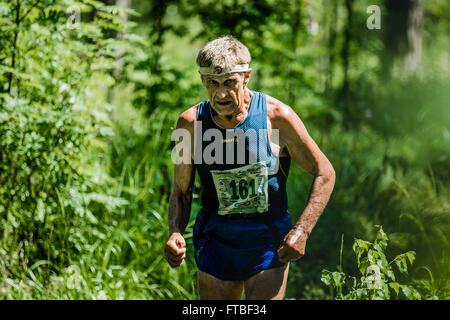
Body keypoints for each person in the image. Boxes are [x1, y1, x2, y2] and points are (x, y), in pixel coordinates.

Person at [164, 36, 335, 300]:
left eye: (229, 82)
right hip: (216, 237)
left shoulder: (277, 117)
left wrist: (301, 231)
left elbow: (324, 172)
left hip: (267, 240)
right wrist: (175, 231)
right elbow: (181, 190)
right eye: (212, 83)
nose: (220, 94)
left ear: (246, 77)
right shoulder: (190, 124)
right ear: (202, 81)